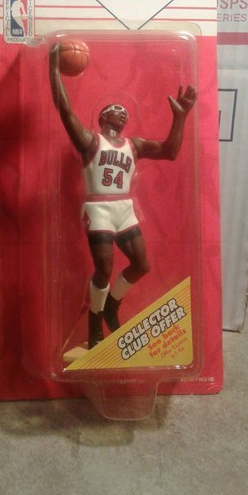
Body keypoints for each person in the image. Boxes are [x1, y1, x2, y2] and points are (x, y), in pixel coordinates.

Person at [49, 44, 197, 349]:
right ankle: (94, 325)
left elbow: (170, 151)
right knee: (104, 268)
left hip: (124, 207)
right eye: (117, 109)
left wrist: (180, 117)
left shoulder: (134, 145)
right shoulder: (91, 141)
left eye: (126, 112)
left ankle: (111, 307)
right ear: (103, 117)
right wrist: (53, 70)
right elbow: (66, 111)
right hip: (99, 208)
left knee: (141, 264)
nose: (123, 112)